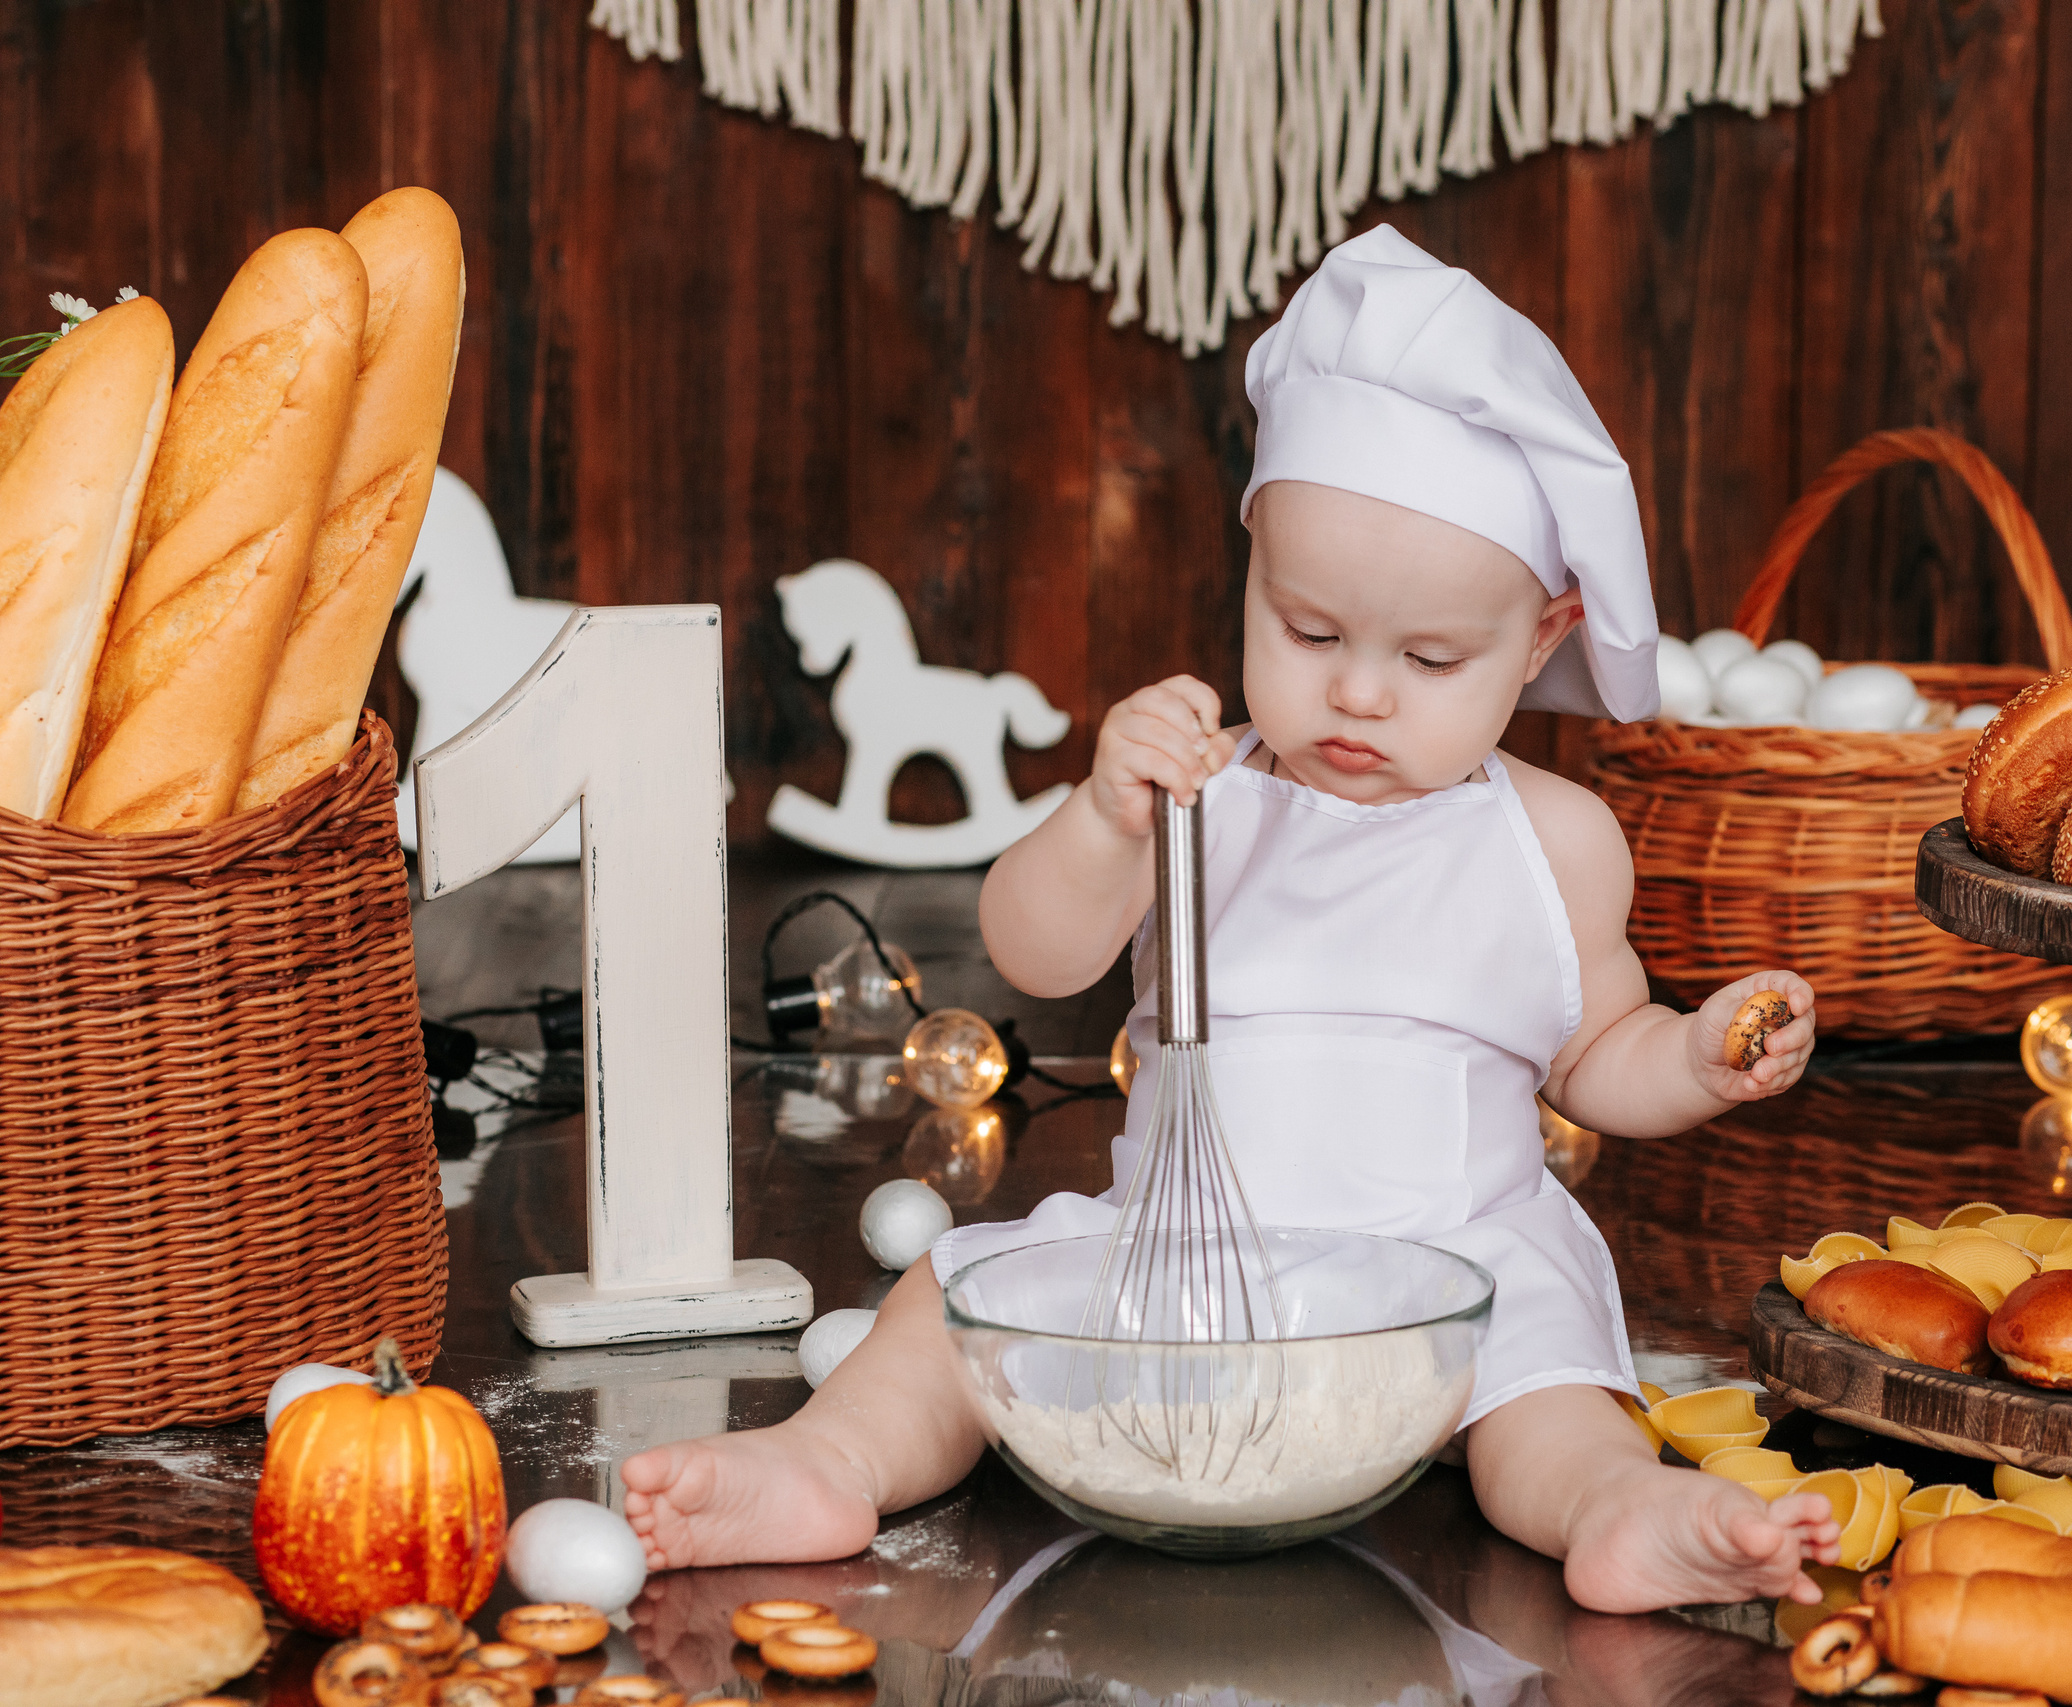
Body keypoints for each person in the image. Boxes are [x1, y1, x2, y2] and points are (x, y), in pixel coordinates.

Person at [624, 226, 1834, 1612]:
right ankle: (828, 1463)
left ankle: (1617, 1513)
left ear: (1543, 640)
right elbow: (1035, 949)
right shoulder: (1194, 794)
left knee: (1547, 1389)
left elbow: (1592, 1054)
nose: (1360, 694)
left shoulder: (1553, 843)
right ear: (1252, 561)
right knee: (949, 1311)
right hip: (1182, 1269)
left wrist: (1690, 1060)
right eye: (1309, 631)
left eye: (1432, 659)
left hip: (1451, 1266)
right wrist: (1100, 822)